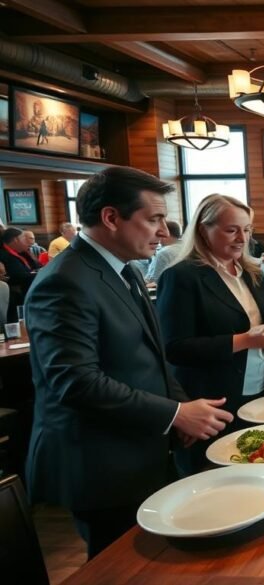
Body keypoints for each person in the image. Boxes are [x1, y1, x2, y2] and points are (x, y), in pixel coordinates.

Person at [25, 166, 233, 558]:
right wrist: (173, 414)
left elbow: (153, 354)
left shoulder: (123, 268)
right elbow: (75, 381)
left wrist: (180, 409)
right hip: (99, 463)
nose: (164, 232)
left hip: (142, 447)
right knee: (120, 566)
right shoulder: (65, 279)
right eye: (153, 219)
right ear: (110, 217)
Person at [156, 195, 264, 474]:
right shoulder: (182, 276)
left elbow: (261, 322)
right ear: (203, 230)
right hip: (213, 398)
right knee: (217, 475)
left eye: (247, 229)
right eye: (232, 230)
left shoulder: (250, 271)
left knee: (263, 467)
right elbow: (174, 348)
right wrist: (245, 340)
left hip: (260, 388)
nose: (242, 238)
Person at [0, 227, 41, 320]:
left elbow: (35, 266)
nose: (27, 241)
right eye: (24, 238)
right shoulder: (4, 255)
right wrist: (39, 273)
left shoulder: (22, 252)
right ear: (16, 240)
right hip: (17, 293)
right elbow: (18, 276)